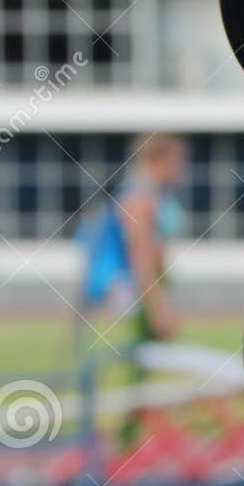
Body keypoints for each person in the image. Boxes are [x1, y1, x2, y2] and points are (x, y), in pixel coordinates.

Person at [81, 132, 189, 341]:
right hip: (132, 296)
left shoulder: (153, 196)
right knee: (135, 361)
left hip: (142, 293)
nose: (184, 166)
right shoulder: (140, 201)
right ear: (159, 160)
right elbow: (140, 256)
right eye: (179, 159)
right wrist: (158, 306)